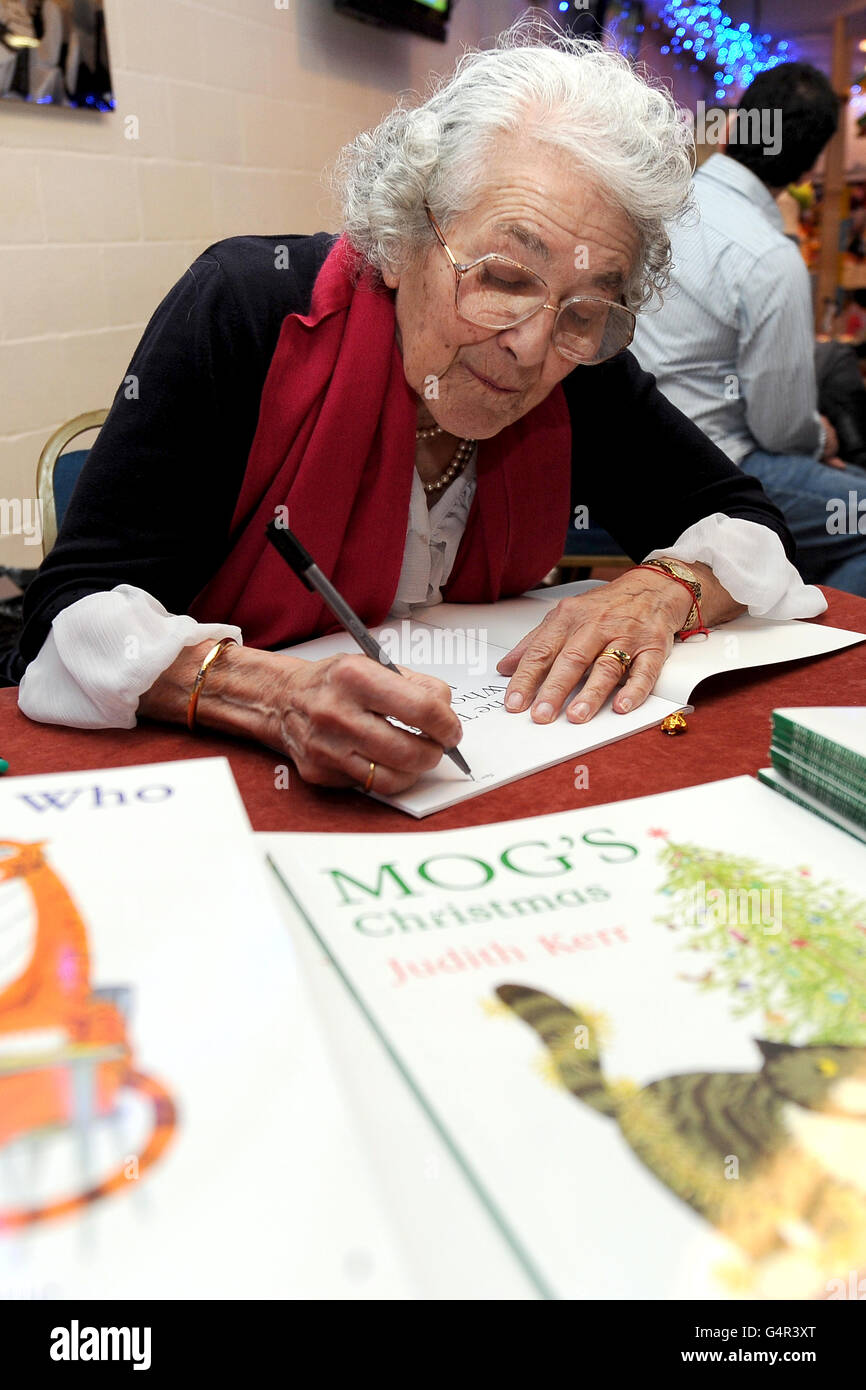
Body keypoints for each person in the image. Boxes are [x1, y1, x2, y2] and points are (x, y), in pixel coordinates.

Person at [13, 21, 825, 797]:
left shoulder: (581, 364)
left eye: (585, 305)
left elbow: (746, 519)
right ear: (401, 238)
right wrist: (270, 695)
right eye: (504, 278)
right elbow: (64, 618)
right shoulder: (247, 311)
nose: (535, 347)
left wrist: (662, 588)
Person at [633, 61, 866, 598]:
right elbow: (781, 429)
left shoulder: (652, 205)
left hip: (623, 460)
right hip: (713, 474)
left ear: (736, 124)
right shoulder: (767, 256)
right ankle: (823, 670)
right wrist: (824, 435)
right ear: (809, 167)